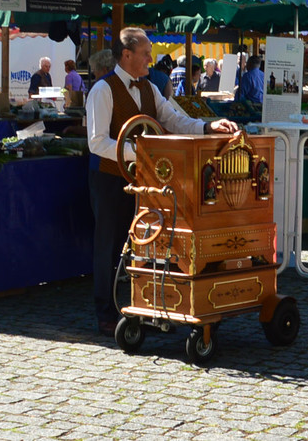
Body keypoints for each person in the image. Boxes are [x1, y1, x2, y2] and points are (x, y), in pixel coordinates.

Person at [85, 28, 238, 338]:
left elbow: (173, 119)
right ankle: (105, 311)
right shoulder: (103, 90)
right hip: (110, 178)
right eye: (145, 53)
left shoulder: (149, 88)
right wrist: (142, 153)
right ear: (126, 55)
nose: (150, 59)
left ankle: (141, 307)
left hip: (144, 179)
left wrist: (208, 127)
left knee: (144, 245)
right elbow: (97, 142)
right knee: (109, 244)